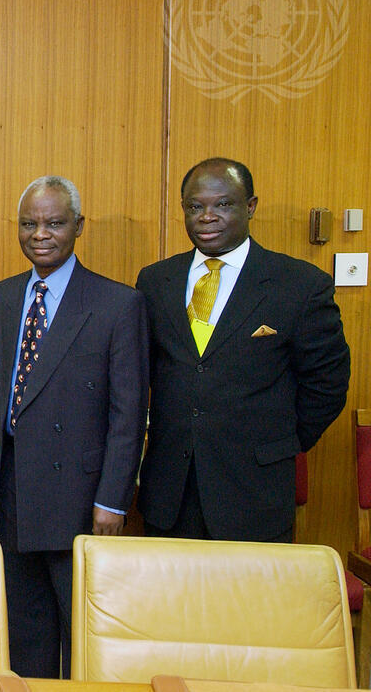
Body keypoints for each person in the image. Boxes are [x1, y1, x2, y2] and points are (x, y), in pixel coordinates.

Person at [137, 158, 349, 543]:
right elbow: (144, 374)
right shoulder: (155, 281)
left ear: (250, 206)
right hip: (171, 493)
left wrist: (278, 444)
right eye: (195, 206)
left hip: (255, 493)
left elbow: (327, 386)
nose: (207, 216)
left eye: (223, 204)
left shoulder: (299, 285)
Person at [0, 176, 147, 678]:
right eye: (29, 223)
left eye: (54, 223)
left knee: (82, 639)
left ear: (79, 226)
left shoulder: (117, 303)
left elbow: (128, 415)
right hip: (13, 493)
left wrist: (113, 501)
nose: (40, 234)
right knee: (25, 637)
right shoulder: (4, 297)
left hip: (80, 500)